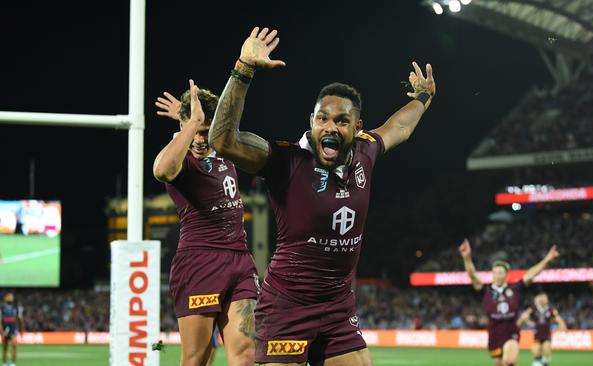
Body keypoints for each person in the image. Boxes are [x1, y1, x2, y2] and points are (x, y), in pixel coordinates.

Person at [208, 26, 436, 366]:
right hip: (287, 305)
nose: (330, 127)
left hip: (338, 306)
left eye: (342, 121)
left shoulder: (365, 152)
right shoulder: (285, 160)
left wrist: (423, 98)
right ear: (311, 122)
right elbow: (222, 140)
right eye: (322, 119)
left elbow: (399, 126)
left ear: (358, 127)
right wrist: (243, 69)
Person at [153, 82, 258, 366]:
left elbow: (228, 117)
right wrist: (190, 123)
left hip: (240, 262)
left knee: (248, 355)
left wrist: (193, 119)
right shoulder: (181, 159)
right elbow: (162, 170)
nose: (200, 140)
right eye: (196, 132)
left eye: (206, 132)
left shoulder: (224, 147)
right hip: (200, 263)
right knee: (198, 359)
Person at [458, 239, 560, 366]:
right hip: (494, 333)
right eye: (494, 272)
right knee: (500, 364)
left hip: (511, 331)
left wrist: (547, 259)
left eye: (500, 272)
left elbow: (531, 273)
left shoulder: (515, 288)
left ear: (507, 274)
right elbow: (472, 275)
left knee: (510, 361)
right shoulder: (486, 290)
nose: (497, 275)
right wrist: (467, 258)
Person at [517, 293, 567, 366]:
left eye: (545, 298)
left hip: (546, 333)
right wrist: (525, 323)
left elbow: (557, 318)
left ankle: (544, 362)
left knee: (546, 350)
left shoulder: (551, 309)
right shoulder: (533, 308)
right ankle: (538, 362)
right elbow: (524, 316)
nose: (545, 300)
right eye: (543, 298)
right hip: (537, 333)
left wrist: (563, 326)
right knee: (536, 351)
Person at [0, 293, 22, 366]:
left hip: (13, 329)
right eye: (9, 296)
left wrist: (21, 329)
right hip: (5, 329)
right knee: (5, 348)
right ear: (5, 298)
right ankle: (4, 363)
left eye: (12, 297)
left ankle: (13, 363)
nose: (11, 298)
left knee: (14, 346)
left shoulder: (15, 307)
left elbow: (19, 319)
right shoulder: (2, 307)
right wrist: (2, 331)